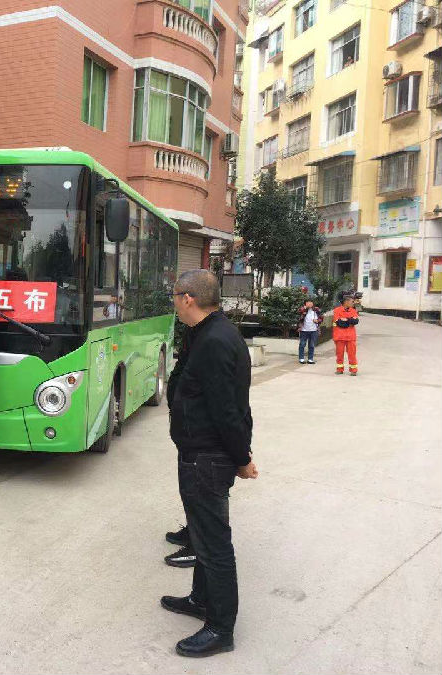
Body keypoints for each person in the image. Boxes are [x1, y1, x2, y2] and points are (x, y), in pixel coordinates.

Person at [162, 269, 258, 658]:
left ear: (188, 298)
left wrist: (242, 457)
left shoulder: (216, 340)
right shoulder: (203, 332)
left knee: (215, 545)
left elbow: (227, 409)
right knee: (202, 535)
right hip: (196, 451)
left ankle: (221, 628)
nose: (173, 303)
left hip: (209, 457)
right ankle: (200, 599)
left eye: (174, 296)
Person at [332, 294, 359, 376]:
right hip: (340, 336)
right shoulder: (337, 310)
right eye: (352, 301)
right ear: (346, 302)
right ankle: (340, 369)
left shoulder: (353, 310)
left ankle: (353, 370)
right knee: (339, 354)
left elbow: (356, 321)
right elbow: (340, 323)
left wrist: (345, 319)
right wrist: (350, 320)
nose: (353, 303)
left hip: (351, 337)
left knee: (352, 354)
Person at [297, 299, 323, 364]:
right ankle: (301, 358)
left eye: (311, 302)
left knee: (312, 345)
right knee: (302, 344)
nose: (310, 303)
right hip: (304, 330)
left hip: (314, 330)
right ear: (305, 303)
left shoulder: (316, 310)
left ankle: (310, 359)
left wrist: (317, 320)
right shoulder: (303, 309)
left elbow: (321, 317)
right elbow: (299, 312)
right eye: (308, 302)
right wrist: (305, 308)